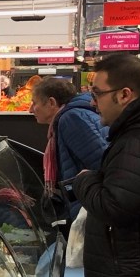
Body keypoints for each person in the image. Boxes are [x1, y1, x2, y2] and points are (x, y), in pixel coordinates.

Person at [71, 54, 140, 277]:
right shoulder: (133, 135)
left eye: (97, 93)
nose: (93, 103)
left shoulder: (136, 142)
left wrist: (84, 180)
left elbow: (115, 206)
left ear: (125, 94)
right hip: (132, 275)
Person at [29, 77, 107, 218]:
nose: (30, 110)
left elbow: (102, 163)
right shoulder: (74, 115)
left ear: (51, 102)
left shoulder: (71, 119)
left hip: (90, 207)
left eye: (34, 103)